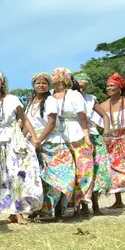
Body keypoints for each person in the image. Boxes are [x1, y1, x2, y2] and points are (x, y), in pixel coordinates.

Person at [0, 70, 42, 224]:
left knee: (16, 176)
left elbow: (24, 120)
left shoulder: (12, 99)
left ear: (2, 82)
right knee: (2, 179)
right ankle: (11, 212)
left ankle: (19, 212)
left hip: (14, 142)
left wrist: (34, 138)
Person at [24, 72, 73, 220]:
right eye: (38, 83)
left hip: (52, 142)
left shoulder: (50, 100)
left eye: (44, 83)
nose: (41, 85)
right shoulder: (31, 102)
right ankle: (39, 209)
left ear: (49, 85)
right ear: (33, 85)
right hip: (34, 142)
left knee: (56, 178)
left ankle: (56, 209)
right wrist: (22, 139)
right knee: (39, 179)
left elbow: (51, 123)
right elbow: (28, 124)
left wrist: (38, 140)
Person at [50, 67, 94, 217]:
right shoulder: (49, 96)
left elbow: (82, 118)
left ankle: (79, 204)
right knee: (63, 172)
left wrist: (87, 137)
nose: (51, 76)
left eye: (54, 74)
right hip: (57, 137)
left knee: (80, 171)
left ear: (62, 78)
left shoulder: (75, 95)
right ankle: (60, 206)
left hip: (75, 133)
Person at [100, 73, 125, 208]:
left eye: (112, 85)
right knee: (113, 170)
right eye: (107, 86)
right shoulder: (103, 105)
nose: (109, 88)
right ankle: (118, 201)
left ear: (120, 87)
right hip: (112, 142)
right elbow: (94, 123)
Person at [75, 73, 112, 215]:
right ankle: (82, 205)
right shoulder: (68, 98)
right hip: (76, 137)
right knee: (81, 172)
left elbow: (105, 116)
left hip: (93, 137)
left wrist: (106, 133)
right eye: (79, 87)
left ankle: (96, 205)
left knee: (97, 171)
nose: (81, 91)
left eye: (84, 88)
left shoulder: (90, 99)